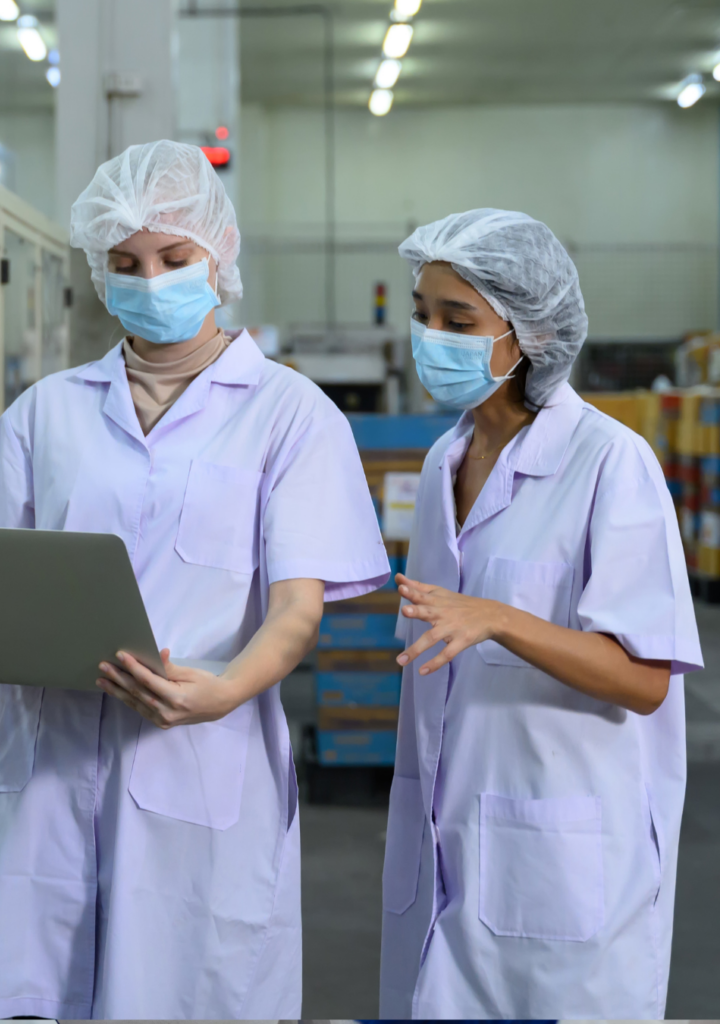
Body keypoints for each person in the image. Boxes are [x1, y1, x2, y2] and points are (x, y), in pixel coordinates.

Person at [0, 140, 389, 1020]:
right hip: (47, 763)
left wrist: (226, 690)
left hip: (199, 756)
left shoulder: (288, 414)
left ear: (219, 255)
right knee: (26, 989)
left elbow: (294, 609)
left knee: (184, 991)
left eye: (173, 257)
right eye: (125, 263)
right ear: (100, 269)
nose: (150, 279)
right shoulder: (48, 411)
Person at [379, 209, 702, 1019]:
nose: (433, 338)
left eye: (459, 320)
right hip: (445, 837)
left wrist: (500, 619)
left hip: (557, 857)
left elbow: (641, 680)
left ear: (527, 333)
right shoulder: (444, 458)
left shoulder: (607, 463)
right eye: (423, 315)